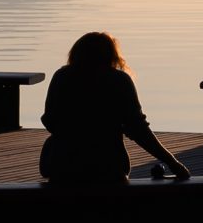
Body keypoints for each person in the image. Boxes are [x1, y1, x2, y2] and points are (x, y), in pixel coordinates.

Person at [39, 32, 192, 184]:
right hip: (109, 167)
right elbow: (138, 129)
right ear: (111, 55)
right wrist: (172, 162)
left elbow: (49, 120)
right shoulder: (119, 80)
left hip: (63, 166)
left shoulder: (62, 76)